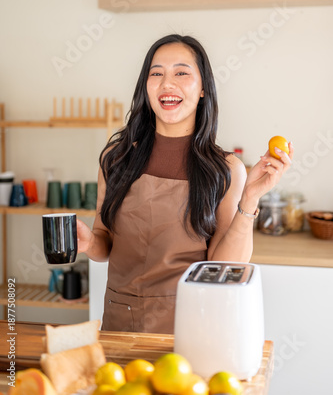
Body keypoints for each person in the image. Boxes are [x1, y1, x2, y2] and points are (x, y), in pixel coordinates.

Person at [77, 34, 293, 334]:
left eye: (181, 72)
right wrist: (88, 242)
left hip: (192, 325)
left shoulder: (226, 169)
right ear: (146, 86)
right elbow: (104, 245)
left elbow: (223, 264)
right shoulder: (117, 159)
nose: (167, 84)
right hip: (120, 325)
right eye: (156, 73)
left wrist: (251, 198)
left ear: (203, 88)